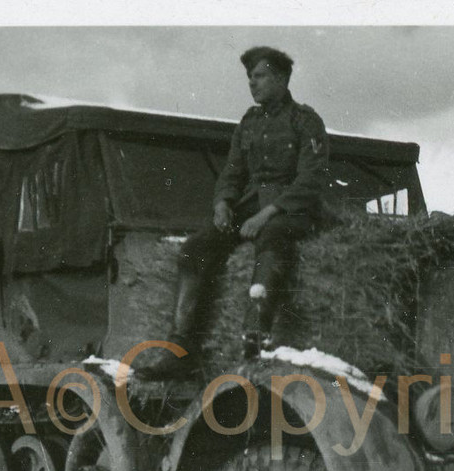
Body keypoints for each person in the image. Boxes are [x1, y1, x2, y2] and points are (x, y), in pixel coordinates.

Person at [137, 46, 329, 378]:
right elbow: (233, 172)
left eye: (260, 76)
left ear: (281, 78)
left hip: (292, 209)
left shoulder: (305, 121)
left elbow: (310, 180)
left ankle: (253, 343)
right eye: (249, 77)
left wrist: (267, 213)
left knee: (272, 238)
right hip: (250, 204)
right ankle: (180, 352)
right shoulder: (249, 123)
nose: (252, 84)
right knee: (194, 248)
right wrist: (223, 203)